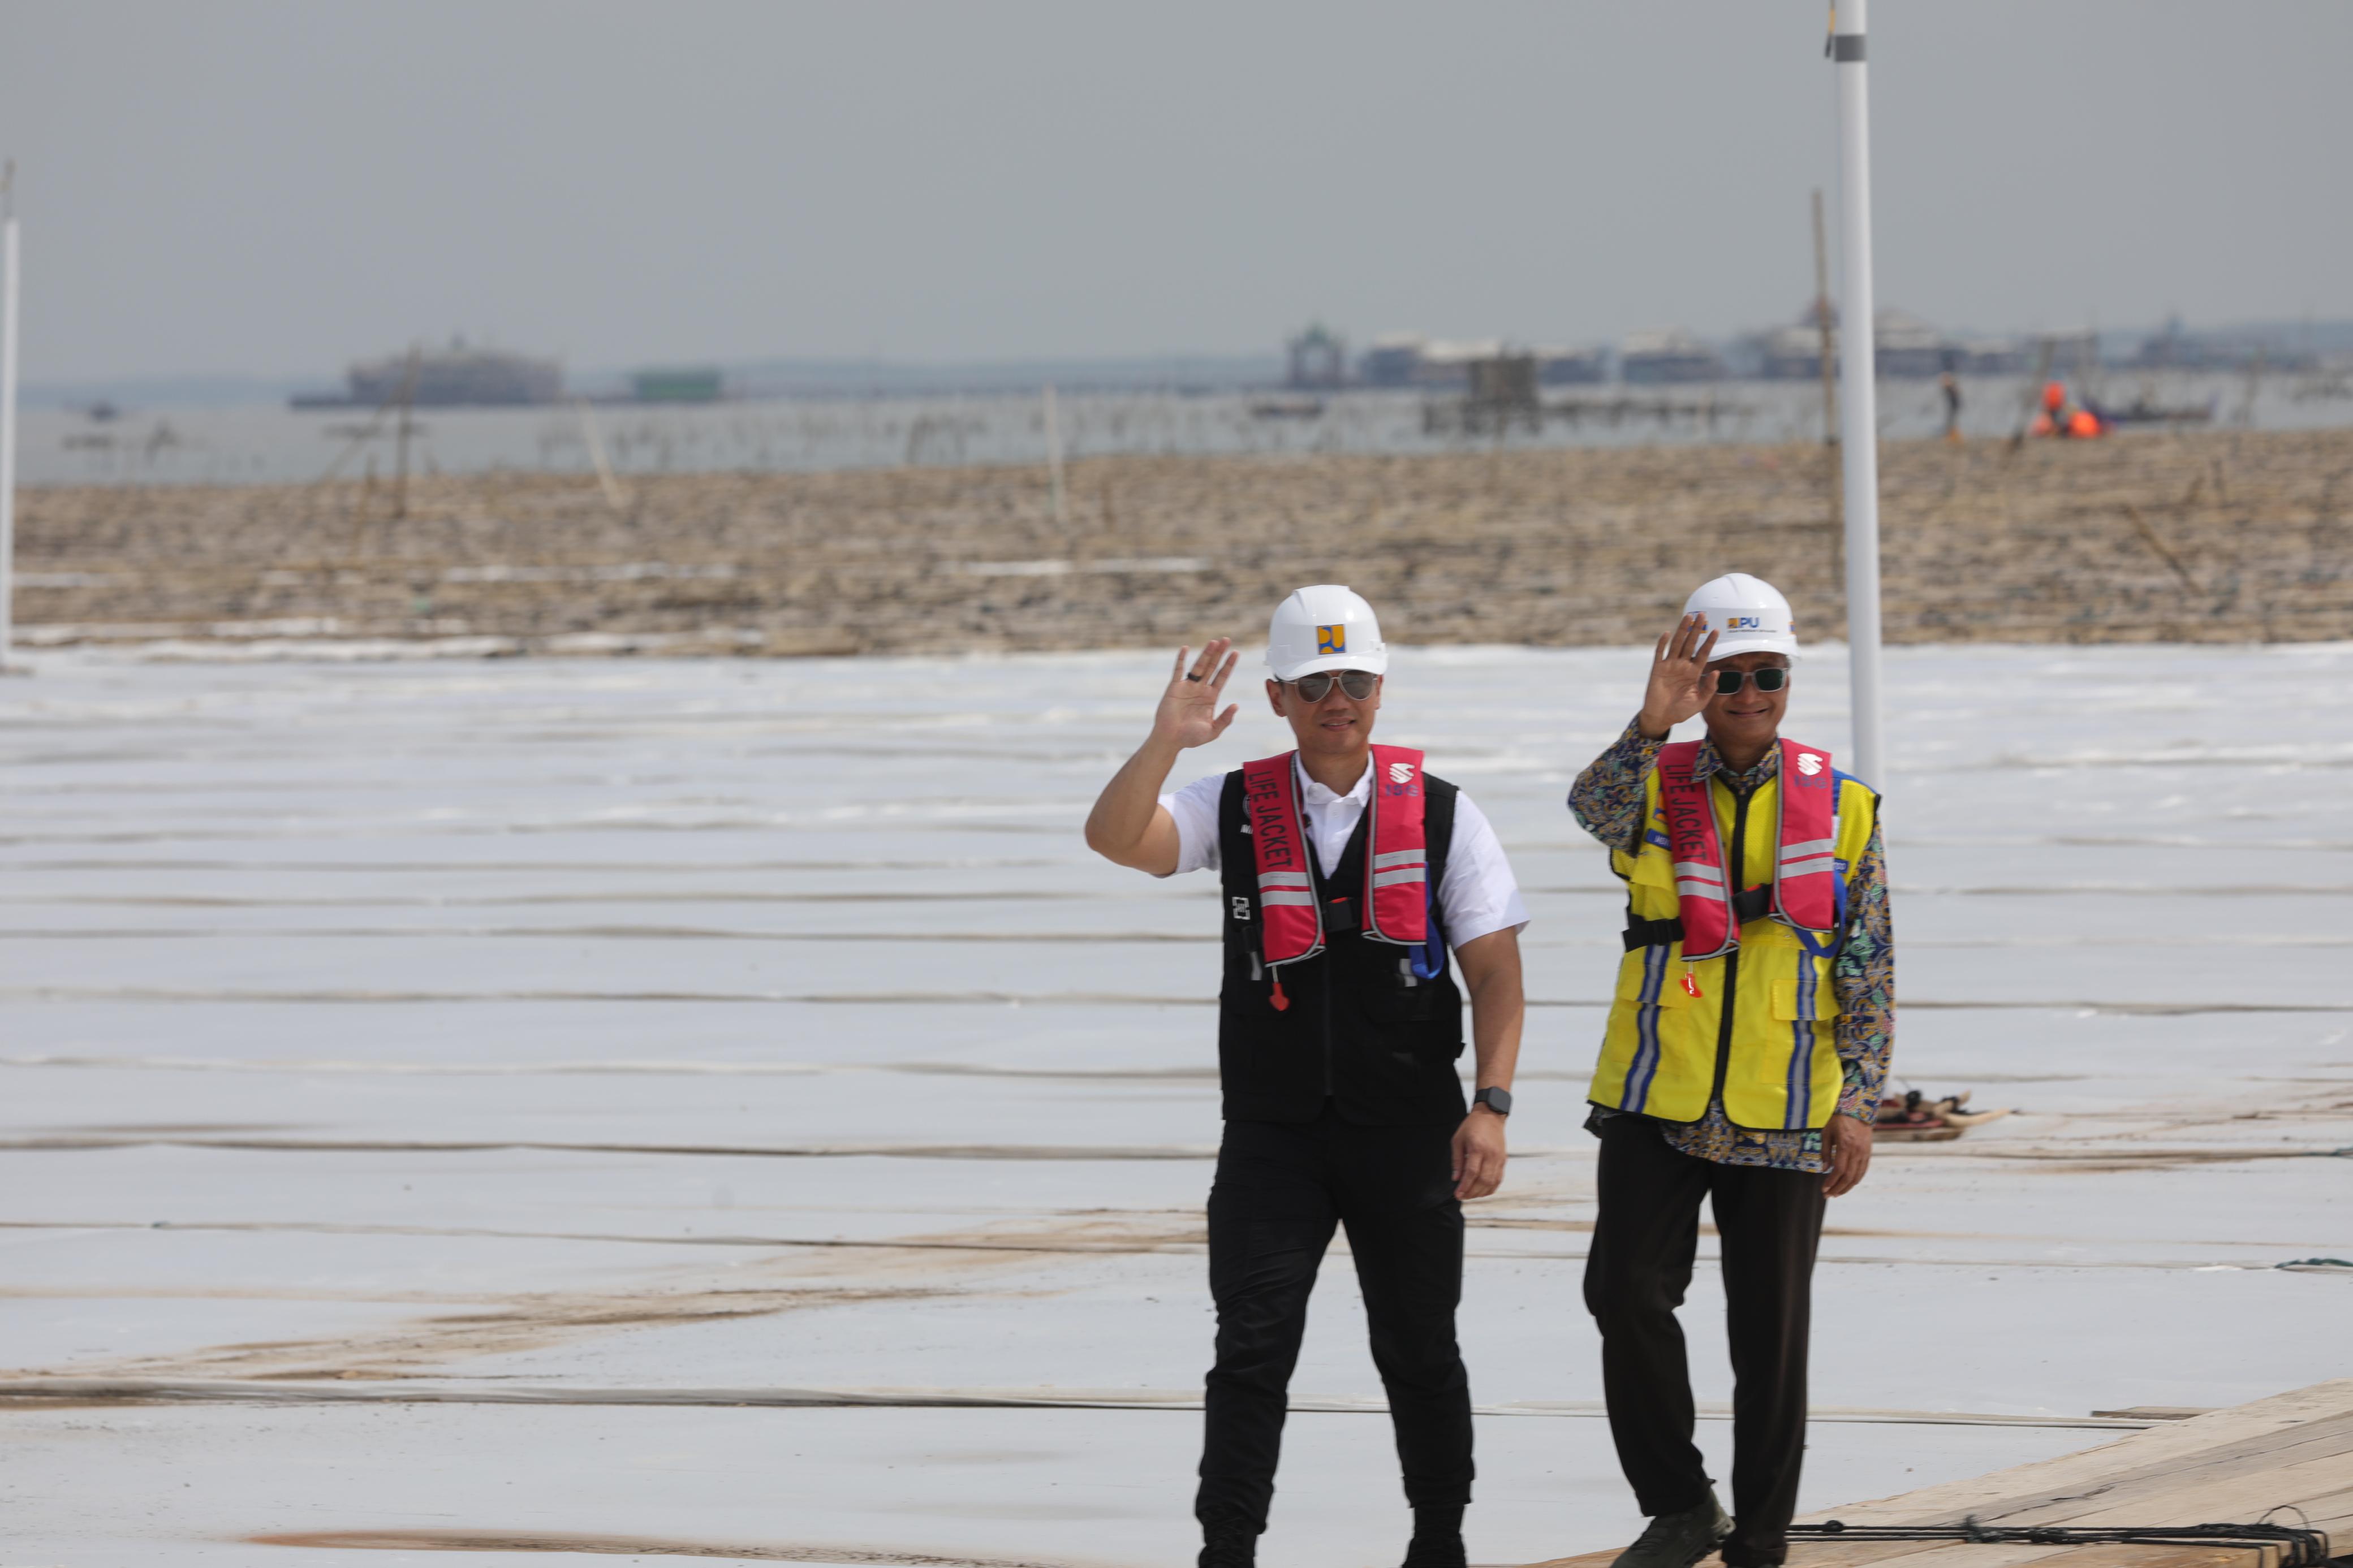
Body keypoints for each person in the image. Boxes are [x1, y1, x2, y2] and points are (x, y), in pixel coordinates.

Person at [1085, 585, 1528, 1568]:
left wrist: (1490, 1106)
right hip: (1274, 1137)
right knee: (1251, 1346)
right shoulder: (1231, 804)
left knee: (1419, 1347)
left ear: (1382, 688)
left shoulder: (1446, 814)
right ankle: (1228, 1549)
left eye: (1356, 681)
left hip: (1409, 1131)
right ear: (1279, 697)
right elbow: (1116, 838)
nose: (1340, 701)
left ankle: (1439, 1541)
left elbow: (1497, 974)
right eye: (1317, 684)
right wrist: (1165, 742)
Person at [1567, 573, 1893, 1568]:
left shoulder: (1844, 808)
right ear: (1700, 682)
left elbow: (1869, 964)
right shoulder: (1650, 781)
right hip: (1655, 1092)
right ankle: (1679, 1505)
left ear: (1790, 680)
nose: (1749, 694)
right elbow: (1589, 808)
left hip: (1787, 1103)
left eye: (1768, 675)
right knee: (1622, 1293)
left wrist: (1860, 1102)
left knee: (1770, 1335)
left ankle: (1760, 1535)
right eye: (1729, 676)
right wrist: (1651, 721)